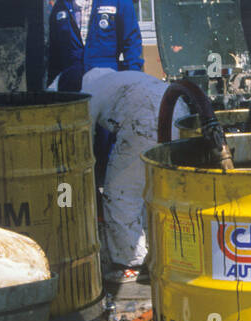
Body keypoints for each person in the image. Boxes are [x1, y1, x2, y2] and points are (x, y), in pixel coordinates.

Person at [50, 65, 171, 282]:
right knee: (148, 192)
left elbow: (79, 149)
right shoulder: (109, 79)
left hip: (146, 123)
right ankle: (156, 253)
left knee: (120, 194)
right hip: (174, 111)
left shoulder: (86, 97)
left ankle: (129, 263)